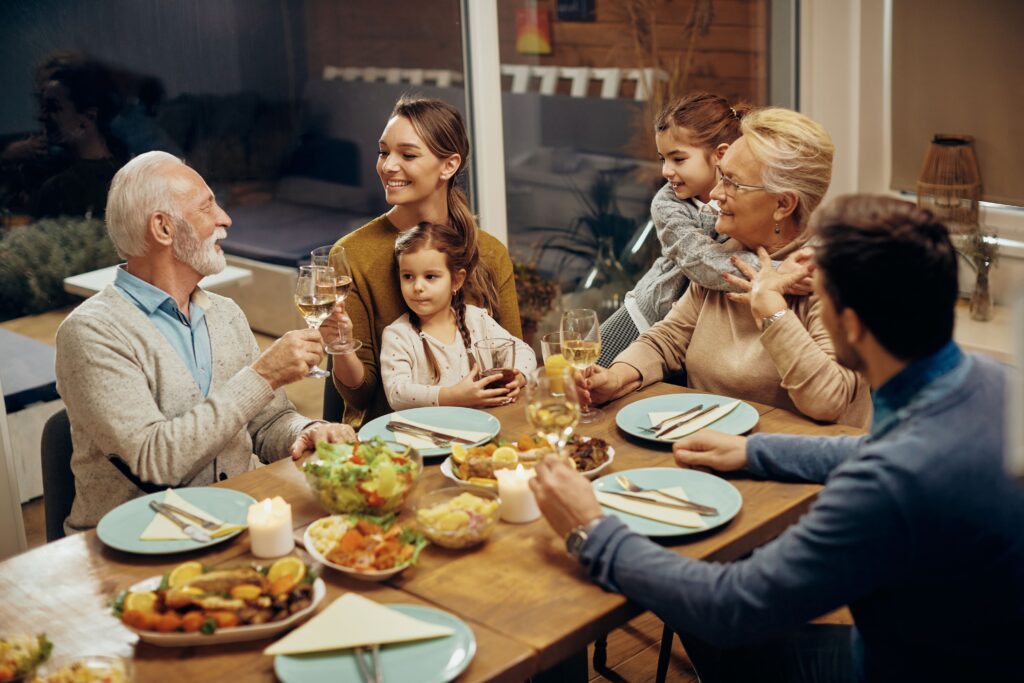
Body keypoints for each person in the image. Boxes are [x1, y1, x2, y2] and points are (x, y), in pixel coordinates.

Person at [530, 195, 1024, 682]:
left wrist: (590, 529)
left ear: (850, 324)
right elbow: (884, 447)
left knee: (708, 620)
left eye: (821, 295)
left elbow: (729, 605)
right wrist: (755, 449)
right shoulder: (987, 381)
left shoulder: (891, 482)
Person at [55, 151, 355, 532]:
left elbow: (268, 422)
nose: (225, 219)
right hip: (137, 548)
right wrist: (263, 375)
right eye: (207, 207)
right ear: (163, 229)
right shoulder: (91, 333)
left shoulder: (225, 312)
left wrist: (304, 431)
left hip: (238, 518)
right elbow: (156, 460)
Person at [580, 107, 870, 427]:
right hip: (706, 448)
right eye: (721, 177)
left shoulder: (834, 279)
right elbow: (667, 339)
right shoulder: (725, 258)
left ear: (783, 205)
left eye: (732, 183)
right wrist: (616, 378)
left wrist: (773, 310)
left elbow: (829, 402)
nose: (716, 194)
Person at [322, 95, 522, 426]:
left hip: (483, 432)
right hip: (395, 441)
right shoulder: (351, 255)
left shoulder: (490, 252)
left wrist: (518, 379)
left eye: (408, 155)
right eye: (384, 152)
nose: (387, 166)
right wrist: (340, 348)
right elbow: (361, 396)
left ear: (449, 165)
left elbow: (513, 361)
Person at [598, 93, 811, 366]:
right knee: (583, 376)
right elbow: (700, 262)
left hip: (695, 328)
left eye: (678, 159)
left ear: (719, 155)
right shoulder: (667, 204)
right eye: (662, 159)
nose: (665, 170)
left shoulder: (744, 202)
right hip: (648, 315)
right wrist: (778, 273)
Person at [348, 221, 538, 410]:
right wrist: (453, 396)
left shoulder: (476, 320)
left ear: (456, 280)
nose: (417, 287)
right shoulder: (398, 335)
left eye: (430, 277)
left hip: (483, 428)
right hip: (428, 436)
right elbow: (397, 394)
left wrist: (518, 377)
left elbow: (524, 351)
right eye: (408, 276)